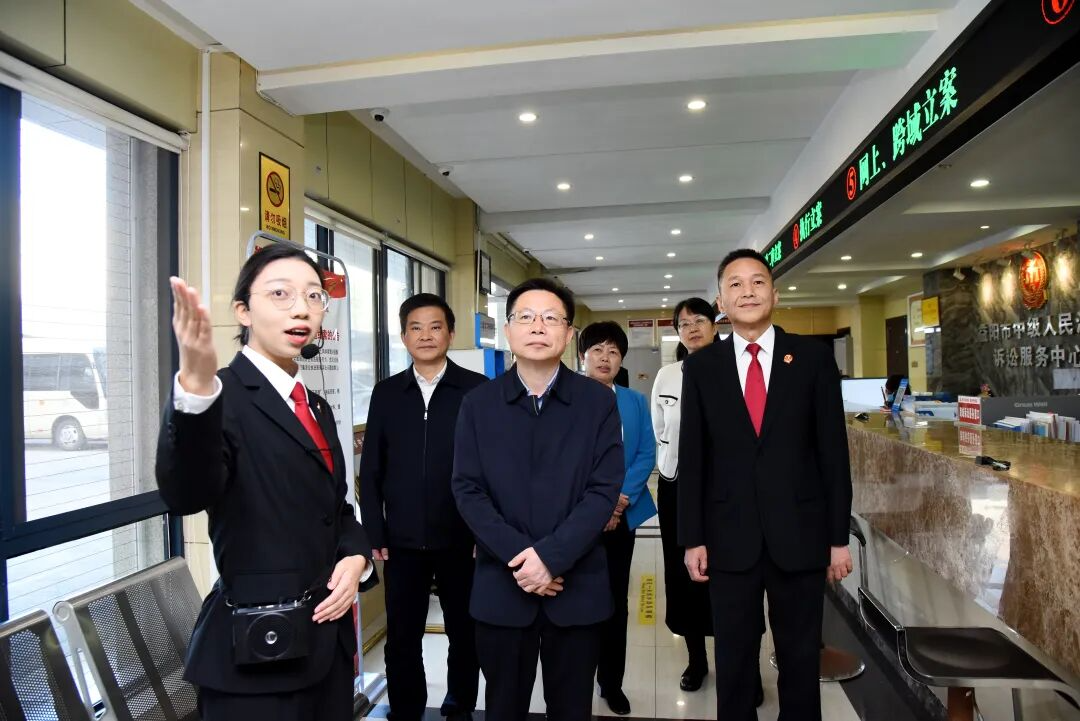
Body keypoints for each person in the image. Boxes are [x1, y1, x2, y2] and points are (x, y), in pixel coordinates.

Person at [156, 243, 377, 721]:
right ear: (243, 311)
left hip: (326, 649)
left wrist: (356, 556)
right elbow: (186, 493)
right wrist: (195, 391)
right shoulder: (219, 397)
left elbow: (336, 509)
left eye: (314, 296)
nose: (302, 309)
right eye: (281, 294)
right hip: (258, 658)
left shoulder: (314, 405)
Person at [679, 249, 853, 721]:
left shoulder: (813, 359)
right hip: (727, 535)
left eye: (758, 282)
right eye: (735, 284)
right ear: (721, 301)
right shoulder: (702, 367)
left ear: (775, 294)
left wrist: (837, 538)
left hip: (800, 533)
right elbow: (693, 458)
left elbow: (833, 454)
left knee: (800, 655)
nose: (748, 292)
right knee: (733, 658)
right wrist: (692, 538)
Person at [451, 278, 623, 721]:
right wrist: (525, 561)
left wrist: (551, 558)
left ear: (569, 334)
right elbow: (468, 490)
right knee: (503, 708)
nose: (538, 326)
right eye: (525, 317)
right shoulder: (479, 404)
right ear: (508, 330)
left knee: (571, 709)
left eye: (551, 318)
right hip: (502, 588)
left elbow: (603, 489)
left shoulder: (597, 402)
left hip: (577, 588)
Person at [359, 293, 488, 721]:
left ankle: (459, 707)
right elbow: (371, 469)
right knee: (402, 637)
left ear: (451, 333)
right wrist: (374, 530)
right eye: (416, 327)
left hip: (462, 538)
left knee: (465, 632)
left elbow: (492, 468)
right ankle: (406, 710)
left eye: (435, 327)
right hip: (402, 541)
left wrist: (485, 533)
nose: (426, 335)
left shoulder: (477, 390)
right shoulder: (386, 393)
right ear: (403, 336)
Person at [578, 321, 657, 716]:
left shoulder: (634, 401)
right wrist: (596, 508)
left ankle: (611, 683)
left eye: (613, 351)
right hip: (576, 520)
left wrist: (618, 502)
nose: (605, 358)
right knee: (576, 601)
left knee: (614, 601)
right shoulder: (565, 398)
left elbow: (645, 453)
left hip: (620, 518)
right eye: (597, 350)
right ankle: (576, 679)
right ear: (582, 356)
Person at [650, 298, 718, 693]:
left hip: (725, 490)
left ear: (714, 325)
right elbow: (660, 428)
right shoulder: (667, 376)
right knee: (683, 574)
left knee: (729, 575)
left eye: (699, 321)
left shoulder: (733, 370)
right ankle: (697, 660)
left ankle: (741, 664)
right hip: (676, 486)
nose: (692, 329)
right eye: (684, 324)